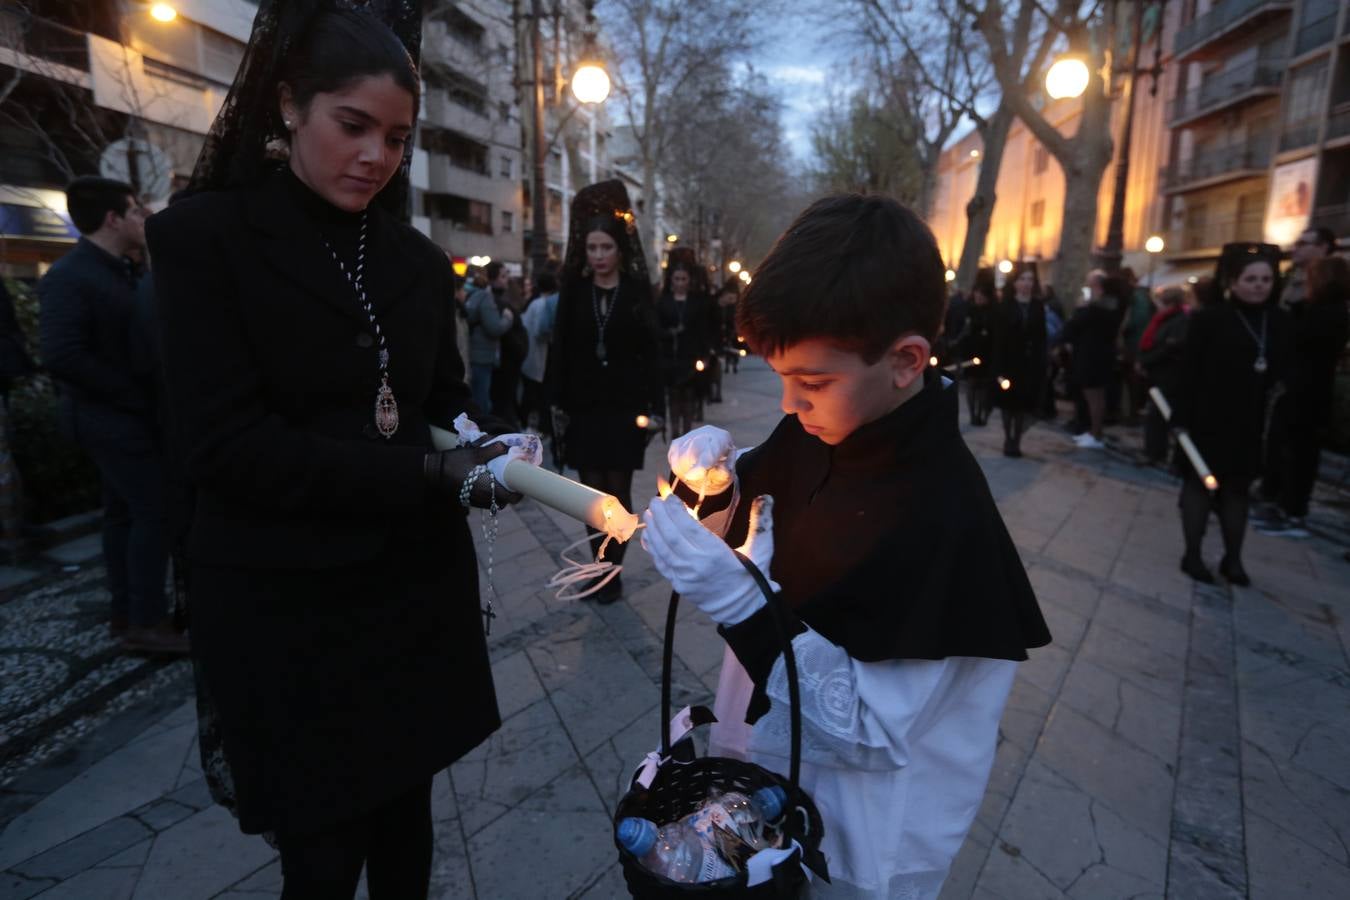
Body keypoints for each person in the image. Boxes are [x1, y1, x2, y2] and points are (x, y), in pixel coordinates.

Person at [144, 6, 517, 896]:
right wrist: (430, 474)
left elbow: (440, 400)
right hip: (287, 605)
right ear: (287, 106)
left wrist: (488, 449)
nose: (375, 157)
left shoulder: (423, 265)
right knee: (320, 853)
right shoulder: (204, 241)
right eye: (352, 126)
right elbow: (228, 444)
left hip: (409, 595)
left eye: (395, 137)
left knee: (407, 838)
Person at [641, 194, 1051, 899]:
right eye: (781, 379)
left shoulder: (943, 513)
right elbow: (757, 513)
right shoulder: (826, 425)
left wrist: (740, 605)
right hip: (768, 777)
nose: (789, 407)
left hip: (864, 832)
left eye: (812, 382)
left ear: (905, 360)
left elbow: (866, 730)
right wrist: (711, 484)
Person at [37, 176, 183, 656]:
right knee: (152, 513)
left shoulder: (121, 270)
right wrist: (132, 395)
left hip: (125, 416)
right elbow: (62, 354)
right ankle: (145, 619)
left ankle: (128, 615)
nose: (144, 219)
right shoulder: (70, 275)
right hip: (110, 419)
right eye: (136, 211)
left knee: (124, 516)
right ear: (113, 219)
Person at [545, 180, 664, 604]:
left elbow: (651, 353)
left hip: (623, 407)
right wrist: (554, 404)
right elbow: (559, 350)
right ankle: (599, 569)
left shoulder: (634, 294)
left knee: (619, 492)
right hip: (583, 408)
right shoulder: (575, 293)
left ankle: (612, 569)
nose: (598, 256)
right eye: (592, 248)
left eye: (605, 248)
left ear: (619, 249)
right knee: (590, 496)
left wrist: (655, 407)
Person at [1174, 243, 1288, 586]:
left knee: (1237, 490)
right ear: (1234, 282)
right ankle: (1192, 554)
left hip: (1250, 422)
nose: (1258, 285)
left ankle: (1233, 559)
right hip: (1206, 418)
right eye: (1251, 279)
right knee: (1198, 485)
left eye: (1265, 279)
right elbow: (1188, 369)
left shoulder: (1279, 322)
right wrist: (1180, 419)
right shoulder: (1211, 318)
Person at [1256, 255, 1350, 538]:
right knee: (1291, 448)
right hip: (1306, 387)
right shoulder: (1325, 311)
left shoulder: (1326, 313)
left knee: (1299, 452)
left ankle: (1293, 511)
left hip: (1307, 389)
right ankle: (1284, 504)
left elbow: (1298, 341)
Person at [1059, 270, 1123, 449]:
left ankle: (1096, 434)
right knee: (1095, 397)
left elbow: (1074, 325)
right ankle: (1093, 432)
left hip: (1092, 357)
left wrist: (1081, 308)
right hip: (1098, 355)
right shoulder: (1110, 307)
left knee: (1094, 397)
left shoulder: (1097, 309)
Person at [990, 261, 1047, 457]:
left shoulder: (1038, 306)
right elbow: (999, 338)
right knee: (1008, 403)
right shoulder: (1005, 305)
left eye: (1030, 279)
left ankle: (1017, 439)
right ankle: (1009, 438)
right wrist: (997, 368)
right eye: (1022, 279)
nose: (1026, 283)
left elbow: (1041, 337)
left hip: (1029, 363)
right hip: (1009, 361)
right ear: (1015, 282)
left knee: (1023, 403)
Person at [657, 249, 716, 436]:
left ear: (689, 280)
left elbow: (704, 331)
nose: (680, 283)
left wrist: (705, 355)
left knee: (689, 395)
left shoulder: (698, 302)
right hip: (670, 357)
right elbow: (656, 328)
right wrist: (668, 333)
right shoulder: (663, 302)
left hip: (691, 356)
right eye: (677, 279)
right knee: (673, 397)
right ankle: (675, 432)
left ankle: (687, 433)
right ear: (671, 280)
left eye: (684, 279)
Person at [1137, 286, 1189, 465]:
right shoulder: (1164, 319)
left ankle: (1155, 452)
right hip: (1157, 372)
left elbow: (1169, 347)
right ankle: (1154, 450)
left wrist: (1147, 360)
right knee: (1155, 414)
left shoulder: (1179, 321)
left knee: (1158, 414)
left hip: (1167, 375)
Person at [465, 261, 514, 415]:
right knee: (482, 401)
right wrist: (508, 319)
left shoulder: (470, 295)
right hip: (483, 356)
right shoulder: (485, 297)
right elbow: (494, 328)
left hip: (473, 353)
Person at [953, 267, 997, 426]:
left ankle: (981, 412)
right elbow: (964, 331)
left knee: (983, 385)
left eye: (981, 294)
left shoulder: (993, 312)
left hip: (987, 351)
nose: (978, 296)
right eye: (977, 293)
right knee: (972, 384)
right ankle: (974, 414)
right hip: (972, 351)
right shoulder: (970, 309)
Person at [520, 270, 559, 436]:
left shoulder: (533, 303)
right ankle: (539, 427)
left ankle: (526, 423)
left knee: (530, 393)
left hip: (530, 355)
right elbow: (540, 330)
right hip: (539, 356)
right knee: (539, 394)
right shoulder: (544, 304)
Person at [1118, 267, 1154, 424]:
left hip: (1135, 345)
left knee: (1133, 381)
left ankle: (1132, 413)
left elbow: (1137, 320)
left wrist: (1123, 329)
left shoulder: (1138, 296)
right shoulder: (1139, 296)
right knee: (1131, 381)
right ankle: (1130, 412)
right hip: (1135, 344)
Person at [1278, 225, 1336, 309]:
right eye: (1295, 244)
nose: (1294, 249)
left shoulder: (1333, 283)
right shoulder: (1289, 276)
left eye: (1302, 244)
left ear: (1323, 247)